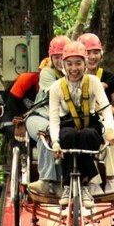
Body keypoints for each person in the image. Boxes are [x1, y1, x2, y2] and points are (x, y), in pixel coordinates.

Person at [48, 41, 114, 208]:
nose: (74, 68)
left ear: (85, 64)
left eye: (78, 63)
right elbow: (53, 118)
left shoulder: (93, 82)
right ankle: (67, 185)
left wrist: (109, 129)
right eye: (69, 64)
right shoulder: (56, 87)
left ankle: (86, 184)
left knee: (87, 135)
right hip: (67, 124)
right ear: (63, 65)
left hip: (90, 124)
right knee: (68, 136)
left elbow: (105, 108)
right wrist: (55, 141)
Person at [77, 32, 114, 194]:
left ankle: (111, 179)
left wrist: (102, 109)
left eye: (95, 52)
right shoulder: (73, 78)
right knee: (86, 135)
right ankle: (93, 181)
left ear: (101, 54)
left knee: (113, 131)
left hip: (104, 119)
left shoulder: (110, 78)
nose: (92, 56)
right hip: (81, 121)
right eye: (88, 53)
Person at [24, 35, 71, 196]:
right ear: (51, 58)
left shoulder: (77, 74)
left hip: (60, 119)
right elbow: (57, 94)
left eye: (62, 57)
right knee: (47, 131)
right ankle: (45, 180)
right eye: (56, 57)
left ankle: (59, 183)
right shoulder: (47, 73)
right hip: (40, 116)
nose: (59, 61)